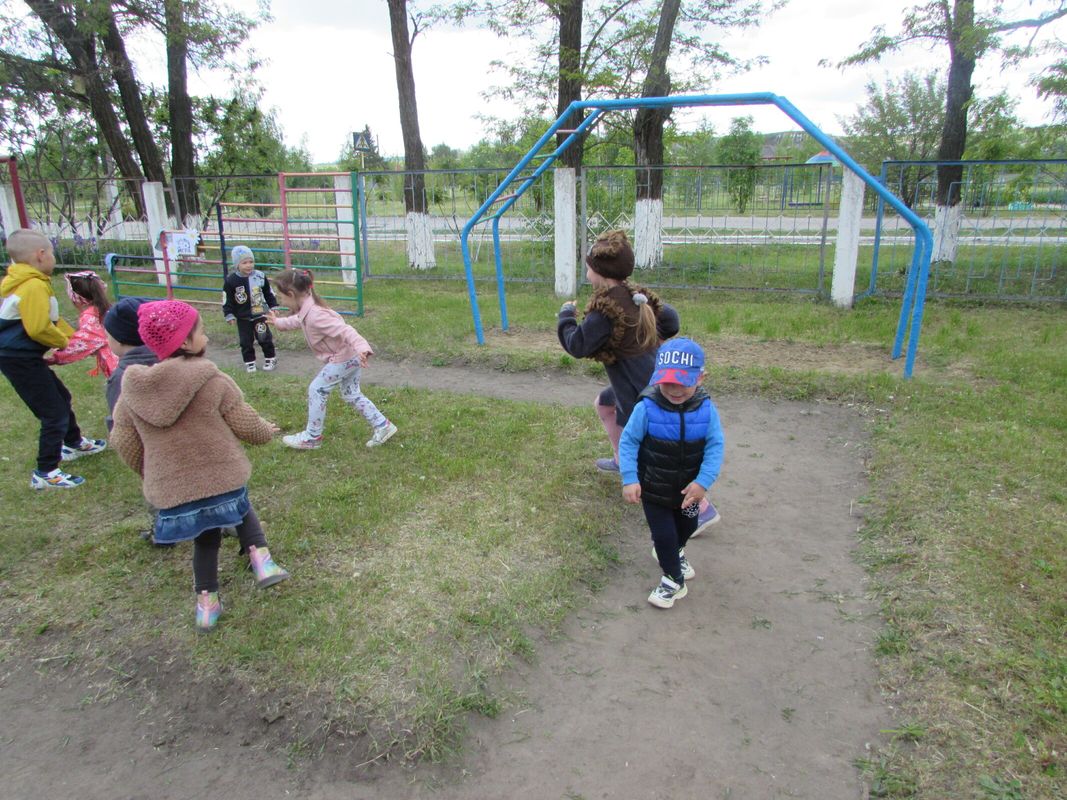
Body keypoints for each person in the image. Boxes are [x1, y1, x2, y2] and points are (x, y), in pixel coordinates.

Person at [111, 300, 290, 632]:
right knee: (241, 507)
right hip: (221, 476)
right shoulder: (211, 379)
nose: (205, 335)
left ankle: (207, 606)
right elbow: (245, 423)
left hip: (176, 491)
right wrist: (267, 433)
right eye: (201, 331)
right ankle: (262, 563)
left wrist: (148, 472)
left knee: (206, 539)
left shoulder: (133, 391)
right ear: (185, 341)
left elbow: (123, 439)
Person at [618, 338, 725, 609]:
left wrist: (703, 482)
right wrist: (629, 478)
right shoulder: (646, 407)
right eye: (668, 382)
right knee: (663, 534)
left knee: (687, 526)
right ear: (657, 378)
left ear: (700, 378)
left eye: (683, 382)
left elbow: (715, 446)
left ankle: (675, 553)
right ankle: (673, 580)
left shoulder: (706, 410)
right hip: (654, 489)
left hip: (690, 493)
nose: (675, 389)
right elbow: (628, 442)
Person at [0, 229, 106, 489]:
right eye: (52, 253)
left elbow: (52, 319)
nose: (54, 258)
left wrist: (78, 339)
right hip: (18, 359)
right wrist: (64, 343)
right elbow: (38, 328)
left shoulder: (30, 281)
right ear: (40, 255)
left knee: (62, 397)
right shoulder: (33, 285)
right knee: (53, 412)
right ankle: (46, 471)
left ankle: (73, 442)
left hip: (20, 356)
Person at [265, 268, 397, 450]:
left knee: (317, 389)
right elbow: (298, 320)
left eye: (282, 298)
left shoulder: (316, 315)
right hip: (351, 357)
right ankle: (383, 426)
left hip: (344, 358)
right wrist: (279, 323)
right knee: (351, 393)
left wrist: (362, 348)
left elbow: (345, 330)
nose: (282, 302)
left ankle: (312, 437)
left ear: (291, 294)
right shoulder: (308, 309)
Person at [46, 270, 118, 377]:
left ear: (76, 299)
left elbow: (80, 343)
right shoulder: (107, 309)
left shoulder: (91, 316)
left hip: (117, 369)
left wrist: (54, 358)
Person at [222, 245, 279, 373]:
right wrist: (229, 314)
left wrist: (273, 306)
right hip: (243, 317)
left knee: (264, 337)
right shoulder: (231, 281)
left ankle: (270, 358)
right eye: (244, 263)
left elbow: (268, 292)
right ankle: (250, 362)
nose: (248, 265)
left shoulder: (259, 276)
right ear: (237, 264)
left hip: (260, 315)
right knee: (246, 341)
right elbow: (228, 300)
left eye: (251, 262)